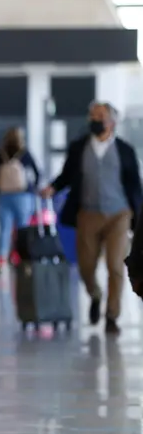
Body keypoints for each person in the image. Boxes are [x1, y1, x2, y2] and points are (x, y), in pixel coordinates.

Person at [41, 102, 143, 334]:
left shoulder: (125, 150)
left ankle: (112, 316)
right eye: (92, 115)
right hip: (88, 213)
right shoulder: (79, 148)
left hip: (119, 214)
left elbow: (135, 186)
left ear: (112, 122)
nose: (95, 120)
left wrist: (138, 217)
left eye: (100, 116)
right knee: (86, 266)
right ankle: (95, 295)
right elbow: (67, 174)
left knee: (116, 266)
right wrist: (53, 188)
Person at [0, 127, 40, 272]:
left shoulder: (0, 154)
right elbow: (36, 173)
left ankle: (1, 260)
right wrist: (32, 188)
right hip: (23, 196)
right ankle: (23, 259)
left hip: (3, 196)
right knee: (22, 228)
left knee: (4, 229)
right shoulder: (25, 153)